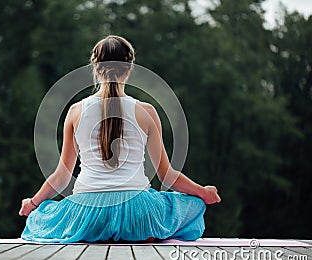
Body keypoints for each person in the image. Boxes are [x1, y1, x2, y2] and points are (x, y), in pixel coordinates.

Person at [19, 35, 221, 243]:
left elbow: (61, 176)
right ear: (129, 68)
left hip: (87, 215)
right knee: (192, 206)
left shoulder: (75, 111)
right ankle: (140, 231)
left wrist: (33, 203)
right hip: (140, 212)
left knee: (39, 217)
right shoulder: (147, 111)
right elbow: (167, 176)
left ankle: (103, 231)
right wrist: (202, 192)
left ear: (95, 68)